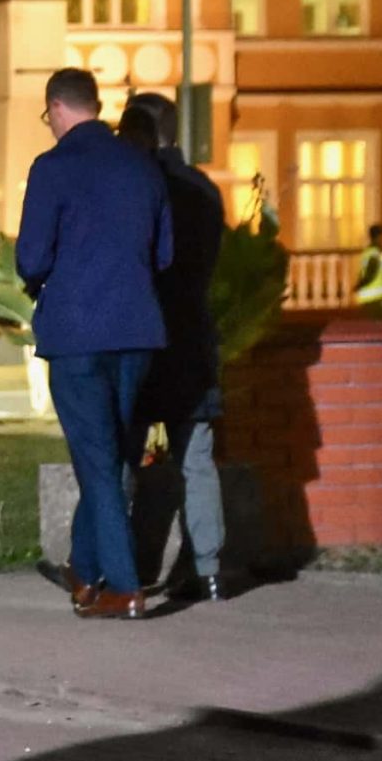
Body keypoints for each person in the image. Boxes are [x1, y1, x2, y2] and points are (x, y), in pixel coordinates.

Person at [16, 68, 173, 620]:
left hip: (78, 333)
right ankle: (85, 570)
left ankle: (124, 587)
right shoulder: (141, 166)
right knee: (112, 456)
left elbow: (30, 258)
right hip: (136, 332)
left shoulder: (52, 168)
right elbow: (164, 254)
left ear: (57, 108)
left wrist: (49, 284)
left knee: (97, 462)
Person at [119, 91, 229, 603]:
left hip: (140, 333)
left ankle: (120, 570)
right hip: (192, 336)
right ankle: (209, 570)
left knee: (123, 453)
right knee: (196, 459)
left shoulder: (134, 184)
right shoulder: (204, 190)